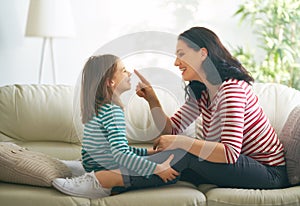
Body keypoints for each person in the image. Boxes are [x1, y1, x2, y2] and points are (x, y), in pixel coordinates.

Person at [53, 26, 290, 199]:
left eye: (181, 54)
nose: (176, 63)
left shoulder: (232, 90)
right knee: (175, 157)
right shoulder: (203, 94)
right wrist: (153, 100)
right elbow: (170, 130)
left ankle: (104, 179)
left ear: (203, 53)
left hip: (266, 172)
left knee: (182, 151)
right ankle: (102, 170)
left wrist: (182, 142)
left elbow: (229, 153)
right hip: (233, 166)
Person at [52, 54, 189, 199]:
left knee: (163, 158)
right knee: (171, 172)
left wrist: (149, 153)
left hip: (93, 165)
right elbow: (121, 154)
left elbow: (115, 149)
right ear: (110, 82)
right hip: (107, 169)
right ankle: (99, 182)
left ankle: (82, 171)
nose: (129, 73)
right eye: (123, 71)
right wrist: (155, 169)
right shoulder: (113, 111)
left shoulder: (100, 108)